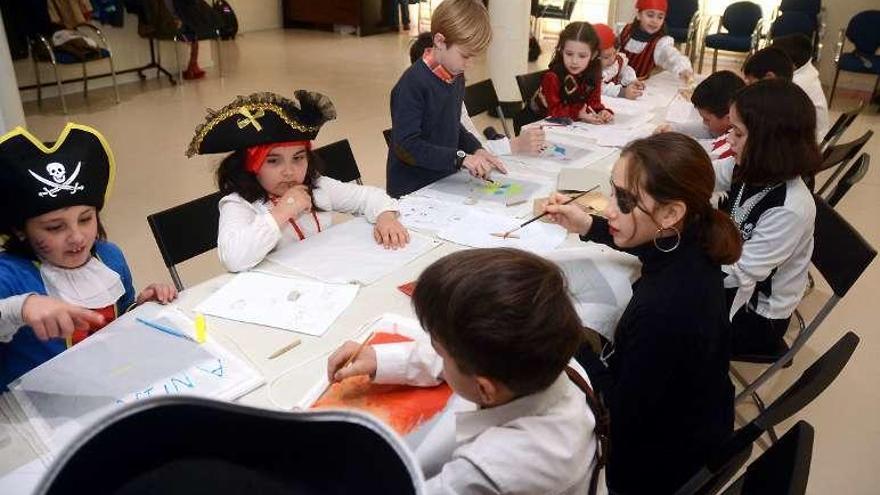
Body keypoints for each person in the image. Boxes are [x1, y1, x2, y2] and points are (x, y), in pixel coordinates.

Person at [544, 132, 740, 493]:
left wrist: (569, 336)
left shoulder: (665, 309)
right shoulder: (694, 236)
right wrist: (587, 225)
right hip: (696, 421)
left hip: (654, 466)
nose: (607, 209)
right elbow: (653, 248)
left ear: (670, 212)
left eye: (624, 200)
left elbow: (618, 412)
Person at [327, 248, 600, 494]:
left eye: (440, 351)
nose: (436, 355)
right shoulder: (548, 358)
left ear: (483, 389)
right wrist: (381, 358)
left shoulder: (493, 469)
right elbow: (464, 353)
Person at [0, 123, 177, 388]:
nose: (77, 237)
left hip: (105, 387)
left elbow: (116, 322)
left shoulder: (110, 258)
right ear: (20, 230)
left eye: (85, 219)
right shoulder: (10, 274)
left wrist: (140, 308)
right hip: (33, 411)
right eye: (55, 227)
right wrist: (20, 308)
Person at [185, 91, 409, 273]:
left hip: (329, 275)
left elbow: (368, 197)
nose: (289, 171)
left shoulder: (318, 186)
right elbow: (234, 258)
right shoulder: (238, 205)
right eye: (273, 161)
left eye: (298, 158)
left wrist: (385, 217)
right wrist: (282, 212)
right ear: (252, 165)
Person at [714, 79, 820, 356]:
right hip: (732, 277)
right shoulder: (750, 166)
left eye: (737, 132)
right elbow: (702, 174)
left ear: (768, 142)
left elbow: (738, 274)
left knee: (658, 319)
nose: (728, 139)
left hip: (755, 316)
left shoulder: (790, 207)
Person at [386, 0, 507, 199]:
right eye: (465, 56)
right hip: (412, 190)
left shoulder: (455, 76)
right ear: (440, 41)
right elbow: (406, 146)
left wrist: (476, 149)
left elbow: (452, 124)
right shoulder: (412, 85)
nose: (469, 65)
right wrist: (460, 158)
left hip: (443, 180)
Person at [408, 32, 546, 156]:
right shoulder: (418, 107)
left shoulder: (452, 93)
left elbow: (474, 143)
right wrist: (513, 145)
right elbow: (459, 155)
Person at [530, 21, 614, 124]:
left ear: (593, 55)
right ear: (561, 50)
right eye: (569, 54)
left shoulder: (593, 73)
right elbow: (552, 111)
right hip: (536, 124)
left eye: (582, 56)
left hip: (570, 126)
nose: (574, 61)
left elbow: (593, 103)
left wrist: (602, 111)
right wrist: (578, 113)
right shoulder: (552, 77)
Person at [772, 33, 830, 138]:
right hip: (812, 138)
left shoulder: (796, 84)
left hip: (806, 142)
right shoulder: (808, 72)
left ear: (791, 64)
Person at [618, 0, 693, 80]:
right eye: (650, 15)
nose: (655, 21)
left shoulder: (660, 43)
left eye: (660, 17)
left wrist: (684, 69)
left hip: (638, 86)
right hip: (613, 84)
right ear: (638, 15)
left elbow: (672, 56)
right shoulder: (624, 30)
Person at [593, 23, 644, 99]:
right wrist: (622, 92)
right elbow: (600, 88)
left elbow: (625, 69)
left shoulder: (617, 60)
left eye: (614, 53)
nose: (612, 59)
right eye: (606, 57)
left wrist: (632, 80)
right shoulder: (592, 71)